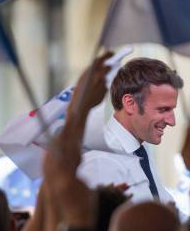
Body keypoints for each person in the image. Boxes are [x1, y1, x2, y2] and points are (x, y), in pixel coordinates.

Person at [77, 58, 183, 203]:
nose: (172, 121)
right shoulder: (100, 161)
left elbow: (164, 206)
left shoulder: (141, 150)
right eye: (163, 109)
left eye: (172, 109)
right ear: (130, 103)